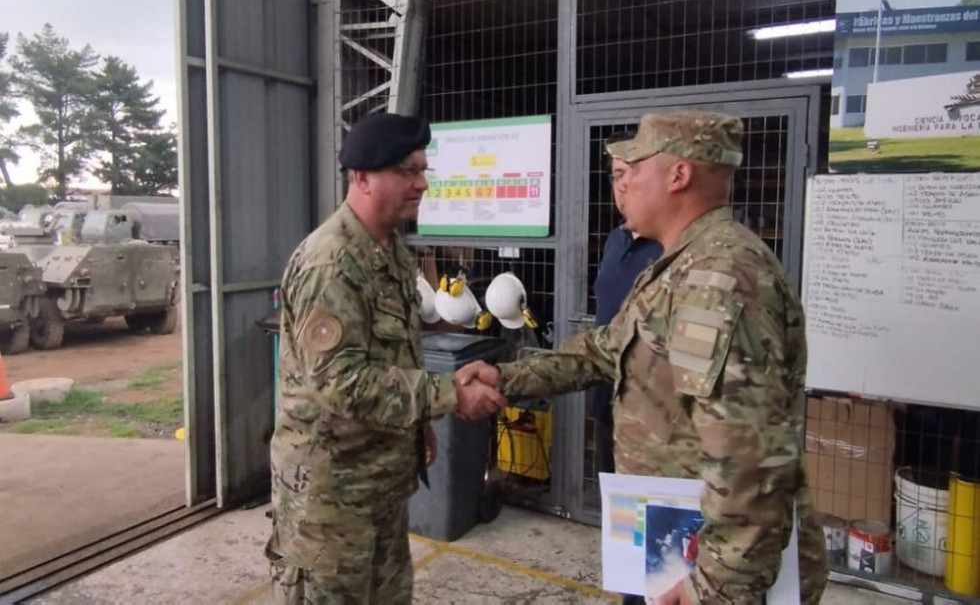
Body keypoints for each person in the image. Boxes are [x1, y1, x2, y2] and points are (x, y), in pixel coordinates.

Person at [460, 111, 828, 604]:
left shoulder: (718, 278)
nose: (623, 182)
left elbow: (749, 458)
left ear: (679, 175)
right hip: (668, 531)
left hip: (702, 561)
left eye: (634, 168)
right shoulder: (677, 266)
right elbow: (602, 350)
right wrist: (506, 376)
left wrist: (711, 587)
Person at [265, 112, 507, 604]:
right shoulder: (331, 262)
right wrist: (446, 395)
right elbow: (340, 382)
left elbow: (395, 350)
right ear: (361, 177)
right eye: (406, 170)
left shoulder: (392, 250)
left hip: (379, 483)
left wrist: (419, 424)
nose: (421, 183)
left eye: (422, 169)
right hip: (331, 497)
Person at [592, 130, 663, 474]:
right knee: (616, 517)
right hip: (610, 398)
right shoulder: (615, 240)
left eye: (628, 174)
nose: (620, 186)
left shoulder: (675, 249)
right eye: (615, 175)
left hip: (656, 419)